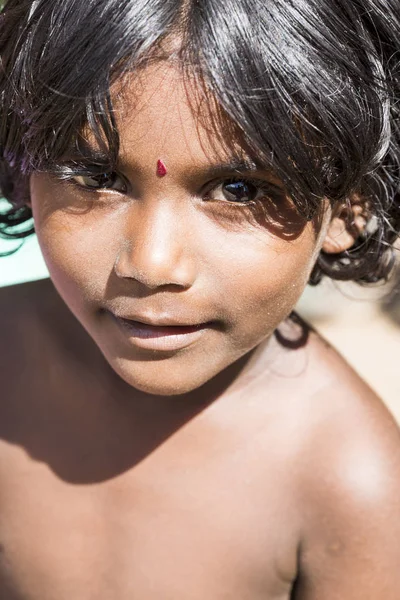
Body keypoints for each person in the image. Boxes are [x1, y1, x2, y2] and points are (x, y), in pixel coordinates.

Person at [0, 0, 399, 597]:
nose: (152, 264)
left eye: (238, 189)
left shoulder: (352, 486)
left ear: (351, 206)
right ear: (21, 167)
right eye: (98, 175)